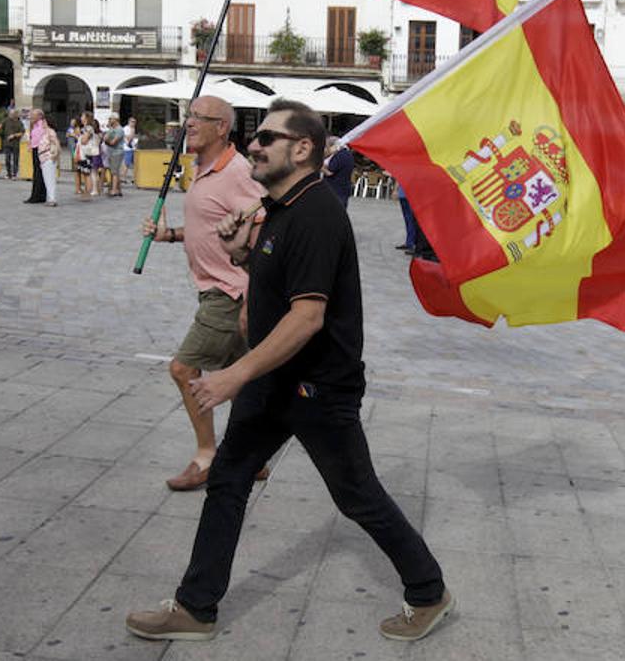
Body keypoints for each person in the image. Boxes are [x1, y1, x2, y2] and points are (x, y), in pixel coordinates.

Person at [125, 99, 452, 645]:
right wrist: (239, 253)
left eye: (267, 138)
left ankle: (428, 591)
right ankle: (196, 607)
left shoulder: (317, 214)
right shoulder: (279, 206)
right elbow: (276, 278)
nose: (254, 145)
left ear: (302, 149)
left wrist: (234, 374)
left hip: (317, 387)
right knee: (228, 478)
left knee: (357, 496)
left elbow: (307, 317)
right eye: (256, 137)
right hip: (273, 380)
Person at [137, 97, 268, 491]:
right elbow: (209, 228)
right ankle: (252, 455)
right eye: (188, 116)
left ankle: (207, 456)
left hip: (228, 293)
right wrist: (170, 235)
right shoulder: (204, 168)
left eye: (199, 118)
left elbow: (261, 228)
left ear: (222, 127)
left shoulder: (237, 172)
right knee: (241, 378)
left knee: (183, 369)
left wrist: (250, 297)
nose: (189, 124)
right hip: (218, 289)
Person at [322, 137, 354, 208]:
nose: (327, 149)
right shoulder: (348, 154)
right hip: (343, 188)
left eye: (328, 147)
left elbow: (329, 172)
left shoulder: (339, 156)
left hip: (335, 189)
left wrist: (318, 165)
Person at [24, 109, 48, 204]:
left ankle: (37, 195)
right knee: (37, 172)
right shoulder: (34, 125)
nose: (31, 117)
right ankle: (39, 195)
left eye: (33, 115)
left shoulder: (43, 124)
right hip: (35, 148)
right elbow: (33, 137)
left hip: (41, 149)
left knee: (38, 172)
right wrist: (30, 145)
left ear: (39, 116)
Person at [38, 118, 61, 207]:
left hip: (48, 156)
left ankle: (52, 199)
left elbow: (56, 143)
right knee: (47, 179)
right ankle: (50, 198)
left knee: (50, 179)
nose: (42, 123)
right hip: (43, 157)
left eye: (44, 122)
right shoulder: (45, 132)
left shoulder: (50, 131)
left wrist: (56, 154)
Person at [103, 115, 126, 197]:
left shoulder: (119, 130)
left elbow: (113, 142)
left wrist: (107, 141)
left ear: (116, 119)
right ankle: (118, 190)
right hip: (111, 152)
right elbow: (105, 138)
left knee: (114, 172)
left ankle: (114, 190)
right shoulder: (111, 129)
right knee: (114, 171)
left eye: (111, 119)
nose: (109, 120)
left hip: (117, 152)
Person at [0, 108, 22, 179]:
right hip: (7, 143)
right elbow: (0, 126)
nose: (10, 115)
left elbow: (21, 133)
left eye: (12, 114)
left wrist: (14, 135)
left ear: (15, 114)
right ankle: (8, 174)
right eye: (10, 114)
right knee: (7, 159)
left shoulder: (19, 123)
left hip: (15, 143)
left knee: (15, 159)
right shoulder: (6, 120)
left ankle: (14, 174)